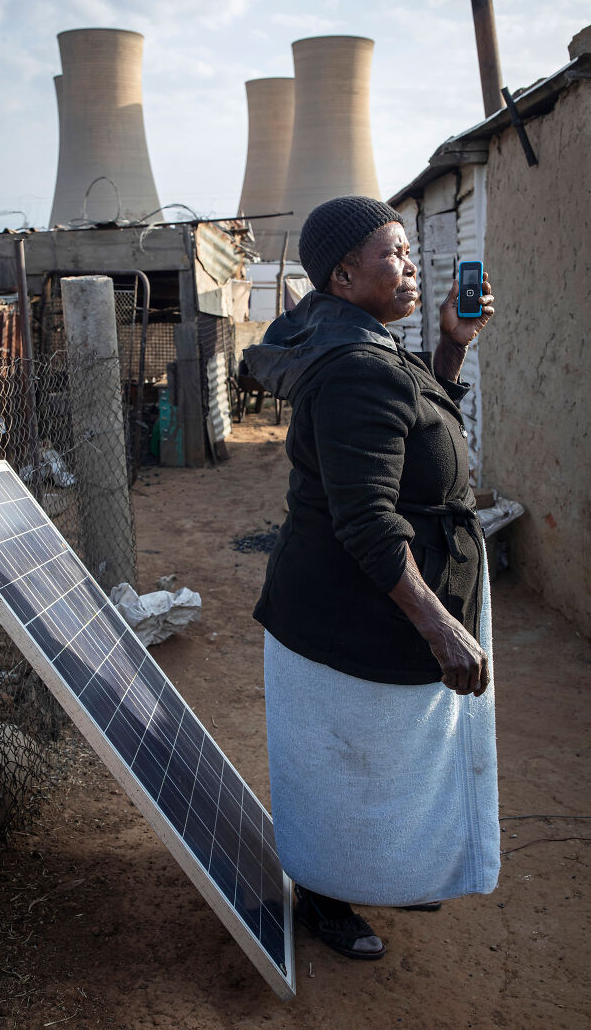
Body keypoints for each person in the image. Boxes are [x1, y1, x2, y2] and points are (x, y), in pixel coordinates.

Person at [243, 195, 500, 960]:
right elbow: (366, 521)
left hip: (353, 612)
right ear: (344, 275)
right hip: (347, 619)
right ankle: (326, 891)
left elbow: (416, 436)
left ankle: (374, 873)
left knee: (372, 767)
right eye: (392, 253)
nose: (412, 265)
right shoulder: (357, 368)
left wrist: (451, 346)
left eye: (409, 251)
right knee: (345, 775)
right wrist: (439, 623)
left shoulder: (365, 346)